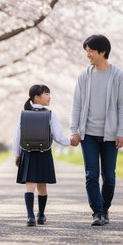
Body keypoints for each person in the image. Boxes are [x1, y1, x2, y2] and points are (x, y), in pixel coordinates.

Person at [70, 34, 123, 226]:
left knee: (109, 177)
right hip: (88, 134)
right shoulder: (84, 76)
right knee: (91, 175)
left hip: (110, 135)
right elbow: (76, 104)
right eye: (87, 51)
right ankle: (98, 212)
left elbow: (121, 106)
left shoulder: (118, 75)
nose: (88, 55)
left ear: (103, 52)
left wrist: (121, 132)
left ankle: (104, 207)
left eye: (91, 51)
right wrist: (74, 129)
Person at [12, 84, 71, 226]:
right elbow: (58, 136)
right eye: (47, 94)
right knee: (42, 185)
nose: (50, 97)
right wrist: (70, 142)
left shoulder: (24, 114)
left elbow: (17, 137)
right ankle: (41, 215)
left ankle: (30, 216)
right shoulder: (50, 114)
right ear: (37, 98)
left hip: (28, 152)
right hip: (44, 153)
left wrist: (17, 154)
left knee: (30, 186)